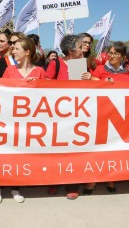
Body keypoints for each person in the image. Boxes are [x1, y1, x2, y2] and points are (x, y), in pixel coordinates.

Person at [0, 38, 46, 204]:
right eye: (13, 49)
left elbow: (48, 97)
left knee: (19, 154)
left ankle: (15, 186)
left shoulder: (40, 72)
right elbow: (1, 94)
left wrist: (35, 86)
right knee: (3, 153)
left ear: (27, 52)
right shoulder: (9, 71)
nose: (13, 51)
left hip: (29, 121)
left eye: (17, 49)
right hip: (9, 118)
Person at [83, 41, 129, 195]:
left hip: (121, 117)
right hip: (100, 116)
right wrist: (102, 82)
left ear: (123, 57)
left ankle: (110, 178)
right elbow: (90, 85)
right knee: (96, 148)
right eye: (110, 52)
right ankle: (91, 180)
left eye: (116, 53)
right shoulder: (100, 69)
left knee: (113, 149)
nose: (112, 55)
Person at [45, 34, 91, 200]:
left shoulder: (80, 64)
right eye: (80, 47)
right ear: (71, 50)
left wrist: (88, 79)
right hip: (58, 115)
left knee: (74, 151)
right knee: (56, 151)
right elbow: (45, 85)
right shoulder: (55, 63)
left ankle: (71, 183)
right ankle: (53, 181)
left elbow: (84, 91)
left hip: (75, 114)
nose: (83, 49)